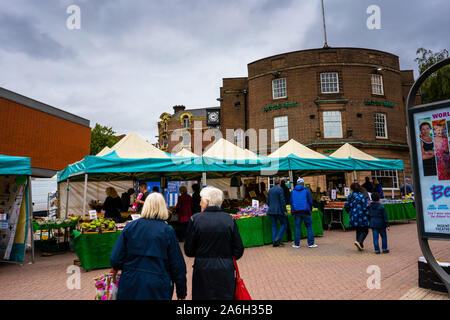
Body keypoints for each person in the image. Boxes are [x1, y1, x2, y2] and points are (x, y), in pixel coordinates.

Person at [110, 192, 187, 300]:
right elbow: (177, 265)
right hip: (157, 284)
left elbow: (115, 258)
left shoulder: (130, 227)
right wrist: (181, 292)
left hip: (130, 281)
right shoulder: (167, 231)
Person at [184, 186, 244, 300]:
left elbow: (189, 250)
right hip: (225, 268)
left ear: (207, 202)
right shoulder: (229, 219)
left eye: (201, 200)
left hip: (202, 268)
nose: (199, 203)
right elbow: (238, 250)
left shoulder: (195, 219)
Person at [290, 178, 317, 248]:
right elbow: (310, 201)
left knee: (297, 227)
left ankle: (296, 244)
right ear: (303, 184)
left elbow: (291, 202)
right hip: (305, 211)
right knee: (309, 226)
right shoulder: (306, 191)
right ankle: (311, 243)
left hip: (297, 211)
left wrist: (292, 211)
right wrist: (310, 210)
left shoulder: (293, 191)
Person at [344, 183, 369, 251]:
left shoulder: (350, 196)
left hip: (353, 216)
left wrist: (350, 212)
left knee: (358, 230)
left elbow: (346, 206)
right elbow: (365, 207)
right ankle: (359, 242)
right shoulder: (362, 196)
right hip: (361, 216)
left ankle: (359, 245)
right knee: (365, 230)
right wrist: (368, 214)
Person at [267, 178, 288, 247]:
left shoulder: (270, 190)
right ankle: (278, 238)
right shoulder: (280, 189)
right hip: (279, 210)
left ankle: (274, 241)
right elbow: (282, 201)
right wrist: (284, 210)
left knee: (274, 226)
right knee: (284, 224)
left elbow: (268, 201)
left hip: (271, 210)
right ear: (279, 183)